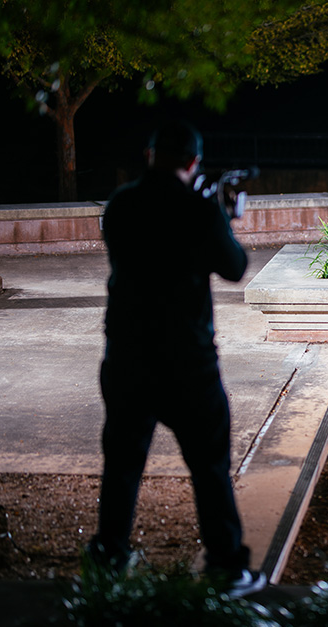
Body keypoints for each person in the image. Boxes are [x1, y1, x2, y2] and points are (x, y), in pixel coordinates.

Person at [89, 120, 266, 598]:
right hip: (188, 363)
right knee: (210, 468)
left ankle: (107, 564)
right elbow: (234, 267)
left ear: (151, 155)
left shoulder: (122, 204)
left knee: (122, 465)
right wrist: (221, 216)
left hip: (127, 357)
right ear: (193, 163)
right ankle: (227, 568)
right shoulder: (198, 210)